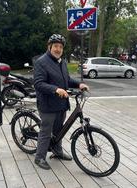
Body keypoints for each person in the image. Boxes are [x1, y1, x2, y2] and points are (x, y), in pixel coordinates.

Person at [33, 34, 89, 170]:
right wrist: (55, 89)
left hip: (61, 104)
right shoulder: (41, 62)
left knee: (59, 130)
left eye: (60, 47)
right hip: (47, 104)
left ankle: (57, 152)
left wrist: (79, 84)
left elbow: (67, 80)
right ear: (49, 47)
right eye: (56, 46)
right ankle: (39, 157)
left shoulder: (62, 62)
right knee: (46, 132)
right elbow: (38, 84)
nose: (58, 49)